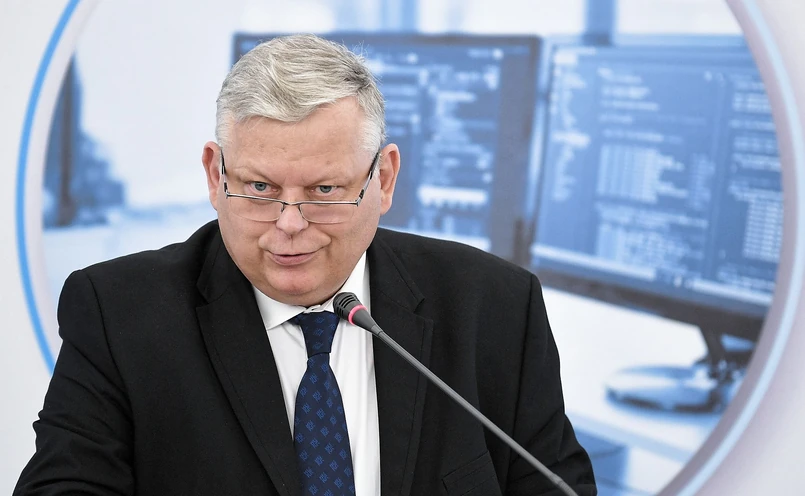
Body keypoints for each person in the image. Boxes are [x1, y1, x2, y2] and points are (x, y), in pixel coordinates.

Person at [15, 34, 596, 496]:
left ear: (384, 178)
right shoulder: (118, 314)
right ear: (215, 175)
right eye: (260, 188)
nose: (289, 224)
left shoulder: (497, 307)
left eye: (324, 190)